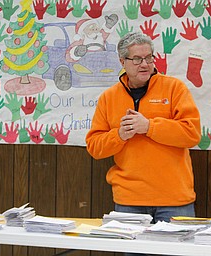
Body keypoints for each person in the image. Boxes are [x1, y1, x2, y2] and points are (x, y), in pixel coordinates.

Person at [86, 31, 201, 232]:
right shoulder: (108, 97)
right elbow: (95, 148)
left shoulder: (175, 88)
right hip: (129, 202)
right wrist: (119, 135)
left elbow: (191, 134)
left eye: (149, 58)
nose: (145, 64)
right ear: (122, 61)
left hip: (174, 200)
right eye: (137, 59)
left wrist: (150, 127)